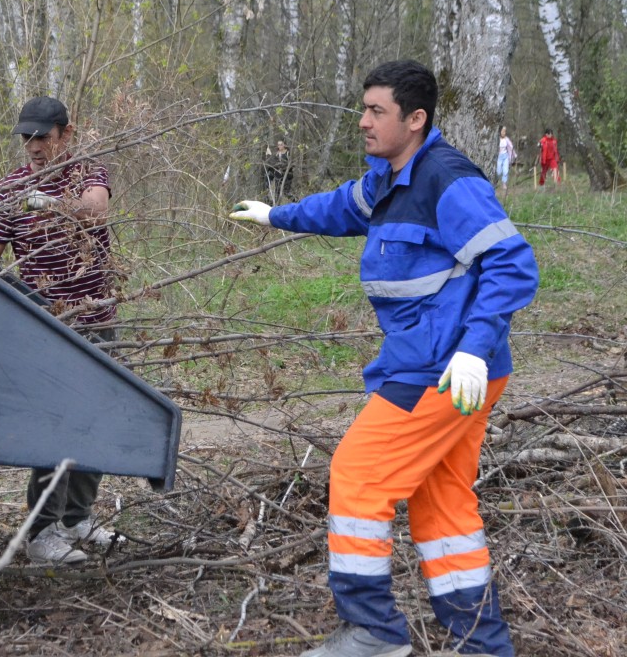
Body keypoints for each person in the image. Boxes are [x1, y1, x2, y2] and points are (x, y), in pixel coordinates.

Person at [230, 60, 538, 657]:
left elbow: (512, 263)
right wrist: (276, 215)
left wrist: (473, 350)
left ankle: (373, 632)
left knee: (357, 475)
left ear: (415, 119)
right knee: (443, 507)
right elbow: (341, 209)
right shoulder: (387, 178)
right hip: (442, 368)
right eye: (363, 109)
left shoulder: (446, 181)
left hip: (443, 373)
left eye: (377, 112)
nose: (364, 122)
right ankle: (482, 646)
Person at [0, 95, 123, 566]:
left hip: (98, 320)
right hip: (49, 326)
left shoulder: (88, 173)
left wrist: (53, 204)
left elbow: (95, 211)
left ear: (67, 134)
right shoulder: (12, 190)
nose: (33, 146)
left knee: (97, 418)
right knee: (55, 423)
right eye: (27, 137)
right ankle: (41, 532)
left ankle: (77, 518)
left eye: (43, 136)